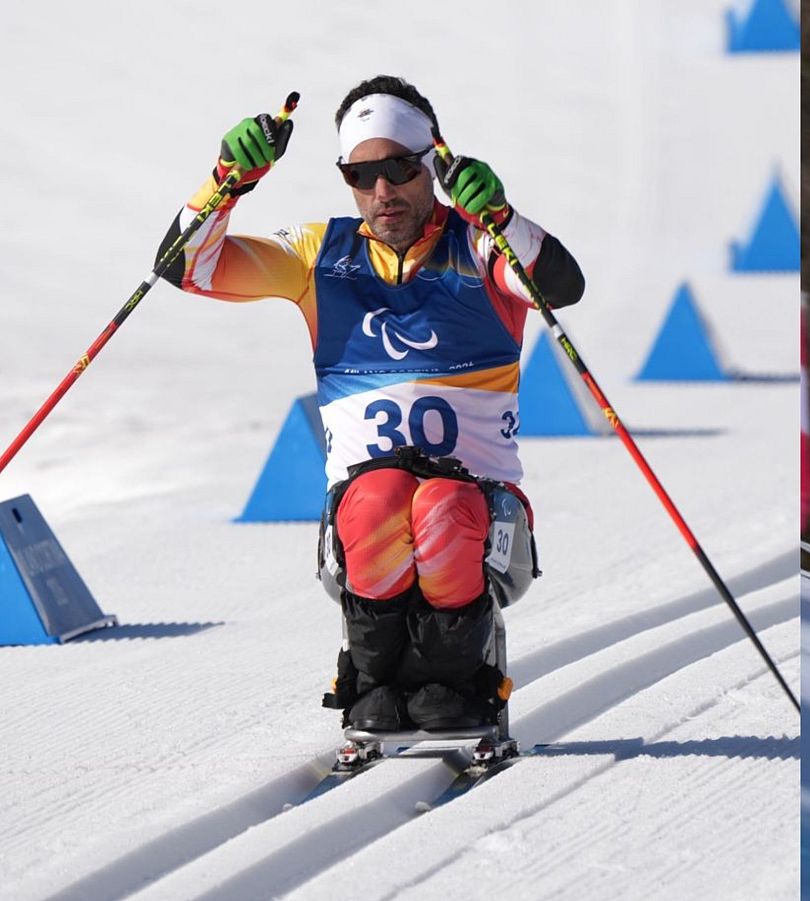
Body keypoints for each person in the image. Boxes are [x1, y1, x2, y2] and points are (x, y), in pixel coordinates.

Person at [160, 75, 585, 735]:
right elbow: (185, 267)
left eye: (398, 167)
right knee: (381, 496)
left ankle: (459, 676)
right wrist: (225, 181)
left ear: (432, 167)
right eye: (361, 174)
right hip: (360, 524)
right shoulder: (317, 256)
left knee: (440, 505)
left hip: (483, 519)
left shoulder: (477, 246)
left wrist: (502, 219)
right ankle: (373, 678)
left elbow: (563, 285)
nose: (382, 191)